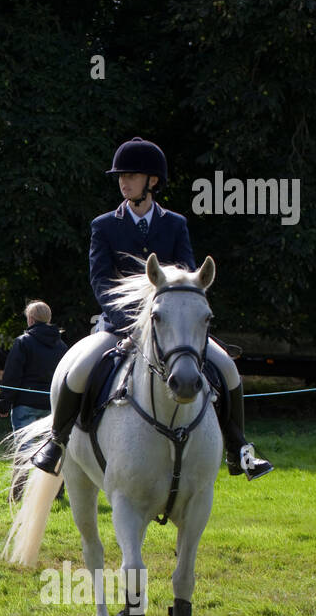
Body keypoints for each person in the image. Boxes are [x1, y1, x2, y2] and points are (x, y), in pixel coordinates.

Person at [29, 137, 273, 480]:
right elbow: (101, 280)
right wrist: (130, 320)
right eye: (120, 176)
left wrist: (172, 316)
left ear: (152, 181)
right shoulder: (104, 225)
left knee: (228, 371)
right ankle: (57, 443)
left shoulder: (175, 224)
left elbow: (188, 275)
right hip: (119, 324)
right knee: (78, 369)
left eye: (131, 175)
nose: (123, 181)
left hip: (171, 326)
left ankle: (238, 449)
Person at [0, 302, 68, 432]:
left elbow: (12, 374)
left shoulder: (23, 342)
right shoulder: (62, 346)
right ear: (49, 318)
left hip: (25, 403)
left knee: (25, 449)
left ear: (30, 319)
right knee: (47, 450)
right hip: (51, 403)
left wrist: (4, 404)